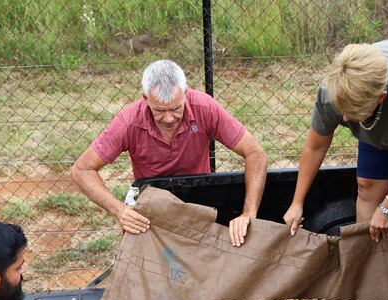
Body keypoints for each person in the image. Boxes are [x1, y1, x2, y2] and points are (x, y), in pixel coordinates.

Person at [72, 59, 267, 247]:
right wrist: (120, 210)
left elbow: (255, 154)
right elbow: (82, 169)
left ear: (185, 94)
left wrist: (248, 213)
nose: (168, 118)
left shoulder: (205, 108)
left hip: (199, 201)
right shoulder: (128, 122)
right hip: (152, 206)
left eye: (175, 108)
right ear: (145, 98)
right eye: (159, 110)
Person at [282, 40, 388, 242]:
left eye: (354, 113)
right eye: (342, 111)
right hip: (378, 120)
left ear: (380, 98)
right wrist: (297, 202)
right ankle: (362, 258)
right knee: (367, 186)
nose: (345, 120)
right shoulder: (333, 91)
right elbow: (315, 146)